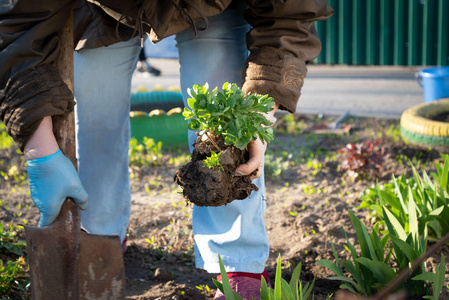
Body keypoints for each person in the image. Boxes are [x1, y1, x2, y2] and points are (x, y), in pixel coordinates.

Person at [0, 1, 333, 299]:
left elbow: (291, 16)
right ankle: (100, 236)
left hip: (212, 5)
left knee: (222, 104)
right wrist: (40, 153)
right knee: (95, 107)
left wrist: (253, 117)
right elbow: (20, 31)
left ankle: (237, 261)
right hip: (103, 7)